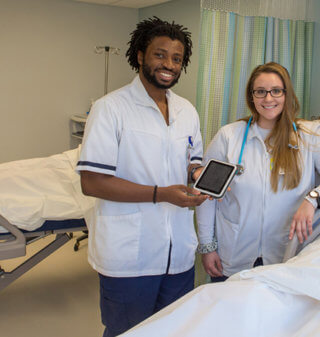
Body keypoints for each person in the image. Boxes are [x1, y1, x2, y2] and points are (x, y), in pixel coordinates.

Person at [77, 17, 207, 337]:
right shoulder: (111, 109)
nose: (169, 65)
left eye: (176, 59)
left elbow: (193, 160)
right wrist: (161, 193)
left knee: (175, 330)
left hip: (178, 255)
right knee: (127, 332)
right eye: (160, 55)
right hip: (129, 258)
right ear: (140, 56)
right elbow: (91, 181)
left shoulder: (186, 110)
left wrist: (199, 175)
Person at [197, 62, 320, 281]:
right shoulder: (229, 136)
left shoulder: (308, 134)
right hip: (234, 253)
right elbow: (207, 196)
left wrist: (313, 199)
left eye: (276, 91)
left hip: (285, 254)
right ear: (251, 96)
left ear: (286, 94)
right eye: (260, 92)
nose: (268, 98)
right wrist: (207, 246)